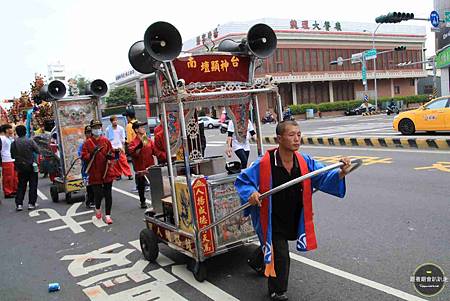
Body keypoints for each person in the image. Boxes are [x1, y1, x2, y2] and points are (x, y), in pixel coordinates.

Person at [235, 120, 352, 301]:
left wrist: (341, 172)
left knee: (272, 246)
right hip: (272, 216)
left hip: (294, 215)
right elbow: (243, 181)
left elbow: (323, 176)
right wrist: (251, 192)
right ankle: (277, 291)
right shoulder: (265, 163)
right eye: (291, 135)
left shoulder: (304, 161)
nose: (297, 139)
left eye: (298, 134)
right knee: (281, 254)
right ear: (279, 139)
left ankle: (256, 260)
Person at [81, 120, 119, 224]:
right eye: (95, 127)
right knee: (98, 194)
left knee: (108, 194)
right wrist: (92, 153)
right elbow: (84, 157)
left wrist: (110, 157)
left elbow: (111, 153)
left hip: (107, 171)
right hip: (94, 172)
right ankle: (97, 209)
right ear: (92, 129)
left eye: (99, 127)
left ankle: (108, 215)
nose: (97, 129)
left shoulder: (106, 141)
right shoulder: (87, 143)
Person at [128, 121, 165, 209]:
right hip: (140, 169)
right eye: (141, 127)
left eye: (143, 127)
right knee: (141, 186)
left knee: (154, 186)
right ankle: (142, 201)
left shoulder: (147, 140)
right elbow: (134, 153)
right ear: (136, 130)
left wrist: (165, 156)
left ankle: (156, 202)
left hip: (150, 167)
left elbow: (155, 151)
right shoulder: (133, 142)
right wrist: (140, 146)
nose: (143, 128)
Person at [10, 125, 40, 211]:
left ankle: (19, 204)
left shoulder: (14, 143)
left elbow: (12, 155)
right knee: (33, 185)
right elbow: (37, 150)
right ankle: (31, 203)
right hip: (31, 165)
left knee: (21, 185)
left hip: (20, 167)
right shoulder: (30, 141)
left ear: (17, 132)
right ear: (25, 131)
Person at [106, 115, 133, 180]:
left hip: (120, 148)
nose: (115, 122)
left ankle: (129, 174)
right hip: (113, 148)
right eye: (113, 121)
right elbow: (107, 140)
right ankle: (118, 175)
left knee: (123, 162)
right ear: (111, 122)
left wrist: (122, 147)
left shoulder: (120, 128)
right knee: (115, 162)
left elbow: (123, 139)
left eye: (115, 120)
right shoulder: (108, 129)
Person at [78, 125, 95, 209]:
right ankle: (89, 201)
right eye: (87, 132)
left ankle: (94, 200)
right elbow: (81, 155)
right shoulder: (83, 145)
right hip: (86, 168)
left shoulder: (95, 143)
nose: (89, 134)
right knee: (89, 186)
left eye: (90, 132)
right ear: (85, 134)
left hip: (95, 168)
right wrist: (90, 155)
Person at [1, 124, 18, 198]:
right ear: (6, 130)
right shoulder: (2, 138)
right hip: (6, 159)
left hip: (13, 159)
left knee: (14, 176)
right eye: (10, 129)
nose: (12, 130)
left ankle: (14, 190)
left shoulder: (10, 138)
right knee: (8, 177)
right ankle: (8, 192)